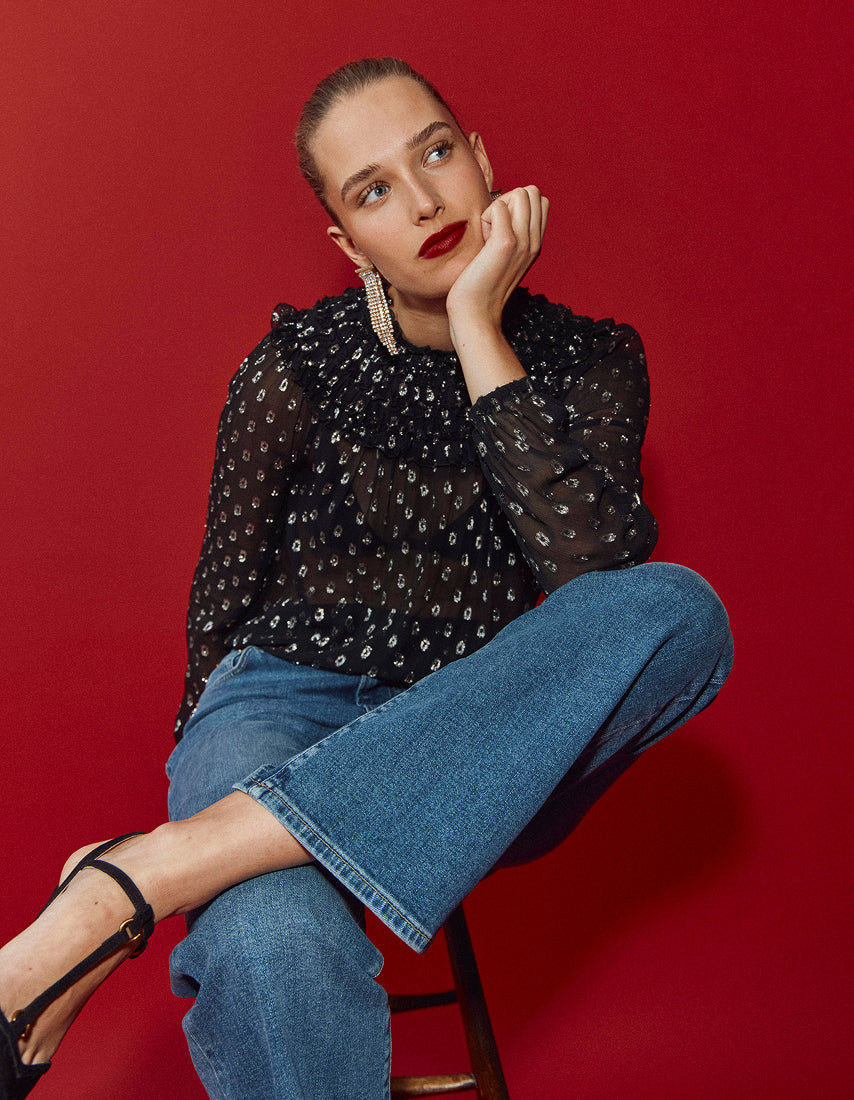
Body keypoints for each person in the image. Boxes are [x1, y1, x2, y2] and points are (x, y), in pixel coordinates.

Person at [0, 57, 733, 1100]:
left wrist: (480, 323)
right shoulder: (295, 365)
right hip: (279, 703)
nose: (426, 200)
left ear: (481, 161)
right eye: (373, 189)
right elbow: (222, 603)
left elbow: (592, 582)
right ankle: (207, 856)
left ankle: (137, 876)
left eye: (435, 153)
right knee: (269, 935)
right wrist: (218, 762)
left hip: (476, 741)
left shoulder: (589, 358)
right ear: (348, 242)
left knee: (676, 610)